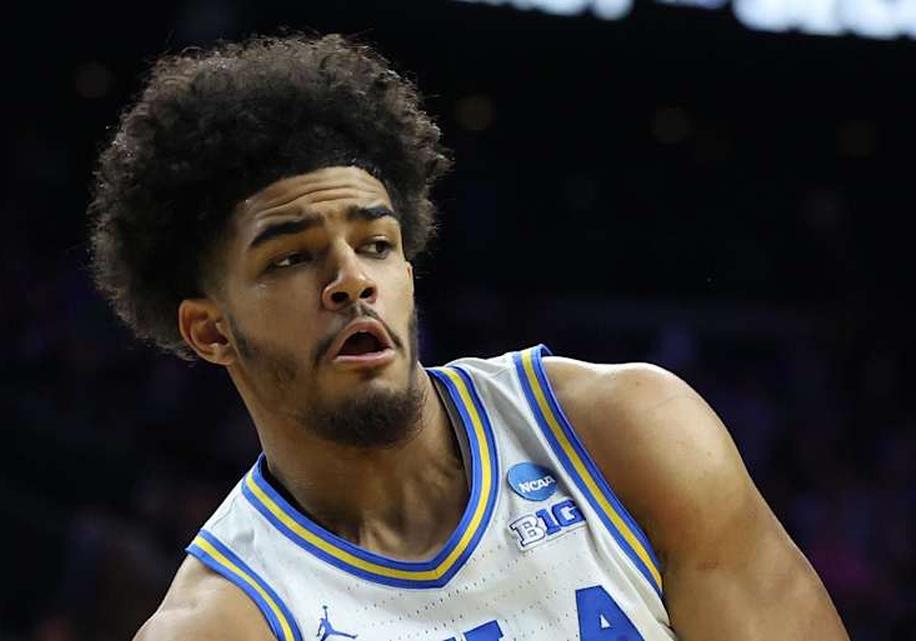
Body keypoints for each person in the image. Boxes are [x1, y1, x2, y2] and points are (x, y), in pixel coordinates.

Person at [88, 33, 849, 641]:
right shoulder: (229, 622)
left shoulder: (625, 432)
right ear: (210, 329)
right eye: (290, 257)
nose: (351, 279)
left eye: (377, 243)